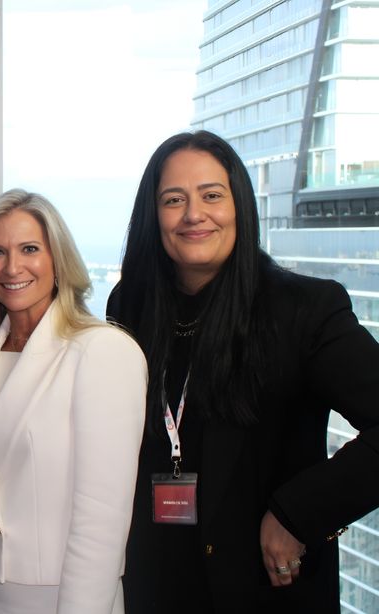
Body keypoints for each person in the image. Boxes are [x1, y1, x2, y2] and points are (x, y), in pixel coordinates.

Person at [108, 130, 379, 613]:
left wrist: (297, 514)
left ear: (241, 205)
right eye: (174, 199)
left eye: (212, 195)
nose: (194, 214)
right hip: (154, 584)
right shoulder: (130, 305)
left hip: (263, 588)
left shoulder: (304, 308)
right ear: (153, 215)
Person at [0, 189, 146, 614]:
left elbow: (102, 521)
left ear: (58, 259)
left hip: (61, 596)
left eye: (30, 249)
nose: (12, 267)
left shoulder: (102, 351)